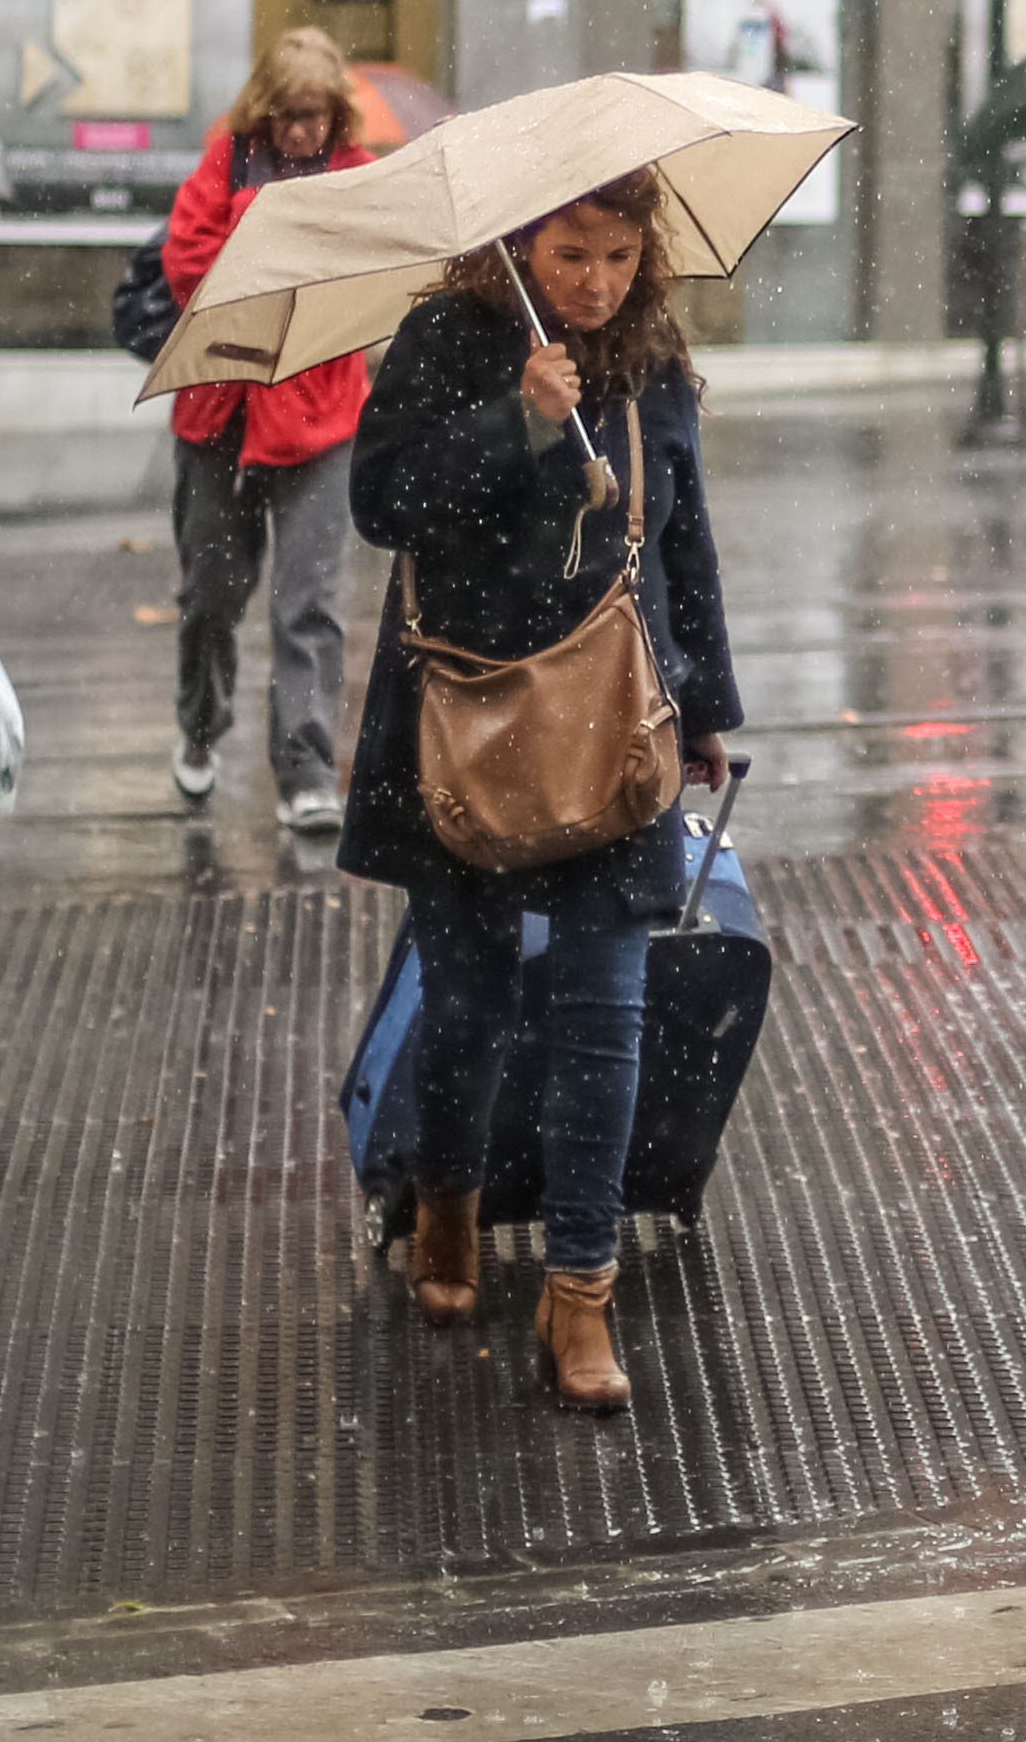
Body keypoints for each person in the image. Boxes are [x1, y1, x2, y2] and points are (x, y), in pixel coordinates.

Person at [340, 169, 741, 1414]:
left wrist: (709, 700)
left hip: (615, 723)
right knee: (464, 1003)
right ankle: (447, 1203)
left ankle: (581, 1291)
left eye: (621, 257)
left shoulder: (647, 356)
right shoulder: (450, 337)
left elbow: (680, 534)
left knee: (603, 1012)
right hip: (469, 720)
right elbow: (382, 502)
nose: (597, 283)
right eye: (573, 254)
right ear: (523, 239)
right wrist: (512, 419)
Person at [162, 29, 375, 831]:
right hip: (219, 415)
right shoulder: (225, 162)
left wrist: (277, 246)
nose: (300, 133)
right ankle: (200, 727)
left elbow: (367, 276)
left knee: (306, 603)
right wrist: (279, 226)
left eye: (315, 117)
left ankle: (307, 767)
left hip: (320, 418)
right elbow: (188, 265)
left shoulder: (356, 174)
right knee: (211, 597)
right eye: (288, 116)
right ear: (264, 109)